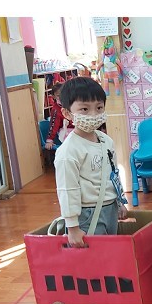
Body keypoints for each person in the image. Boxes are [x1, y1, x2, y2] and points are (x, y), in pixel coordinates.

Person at [54, 77, 128, 247]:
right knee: (93, 257)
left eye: (99, 107)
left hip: (110, 208)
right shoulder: (68, 151)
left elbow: (113, 174)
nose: (94, 114)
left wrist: (119, 202)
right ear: (67, 113)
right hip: (87, 213)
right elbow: (67, 190)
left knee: (109, 252)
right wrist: (72, 227)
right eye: (85, 109)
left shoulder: (106, 140)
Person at [45, 82, 74, 150]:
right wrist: (49, 140)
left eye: (64, 94)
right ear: (53, 96)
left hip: (75, 129)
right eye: (58, 95)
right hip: (65, 131)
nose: (62, 97)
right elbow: (53, 125)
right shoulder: (56, 110)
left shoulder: (72, 104)